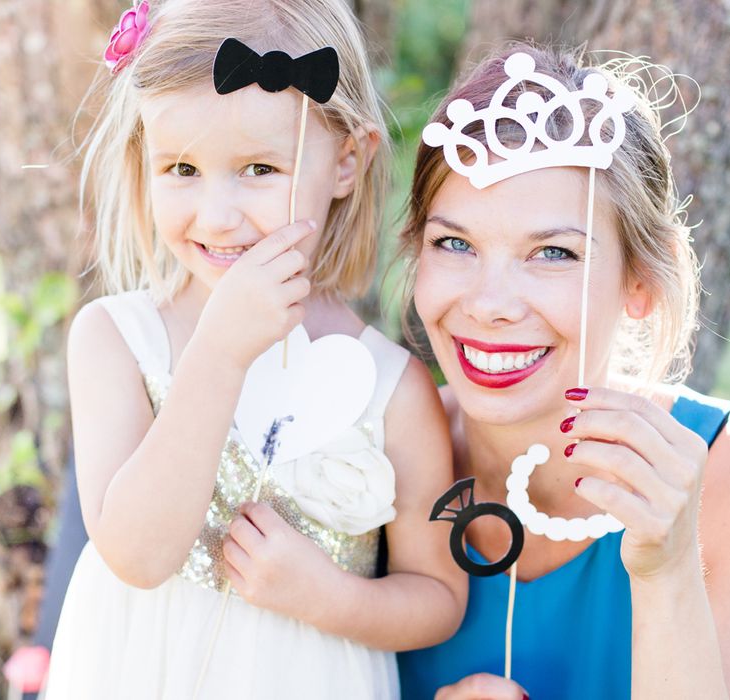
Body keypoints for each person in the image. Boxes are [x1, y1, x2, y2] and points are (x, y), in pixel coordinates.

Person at [44, 1, 466, 697]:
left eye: (259, 169)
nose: (217, 214)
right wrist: (217, 355)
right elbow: (139, 555)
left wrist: (328, 597)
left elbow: (438, 599)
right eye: (181, 169)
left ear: (346, 163)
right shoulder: (115, 340)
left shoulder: (390, 388)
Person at [397, 43, 730, 700]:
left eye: (553, 252)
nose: (490, 304)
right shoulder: (372, 454)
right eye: (455, 244)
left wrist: (667, 576)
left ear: (639, 280)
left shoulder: (724, 481)